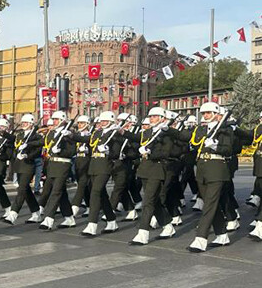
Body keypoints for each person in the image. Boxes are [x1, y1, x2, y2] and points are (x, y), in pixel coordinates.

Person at [187, 103, 234, 252]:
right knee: (210, 203)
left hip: (217, 169)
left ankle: (201, 238)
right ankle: (222, 235)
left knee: (209, 205)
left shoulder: (225, 129)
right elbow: (193, 142)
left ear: (215, 113)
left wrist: (215, 146)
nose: (205, 115)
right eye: (204, 113)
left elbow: (228, 150)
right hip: (202, 169)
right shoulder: (201, 129)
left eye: (208, 113)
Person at [129, 108, 178, 246]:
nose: (152, 118)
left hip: (157, 169)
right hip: (144, 169)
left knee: (148, 201)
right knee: (154, 201)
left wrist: (149, 153)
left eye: (155, 116)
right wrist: (123, 132)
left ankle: (142, 233)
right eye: (150, 116)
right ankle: (168, 226)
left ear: (163, 118)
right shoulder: (148, 132)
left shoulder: (167, 134)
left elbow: (166, 153)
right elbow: (135, 138)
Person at [72, 111, 123, 237]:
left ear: (111, 122)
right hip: (93, 166)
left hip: (105, 166)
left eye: (105, 121)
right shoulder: (97, 133)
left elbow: (116, 154)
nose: (102, 123)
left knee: (95, 192)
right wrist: (70, 135)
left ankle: (92, 224)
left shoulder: (115, 135)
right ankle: (111, 221)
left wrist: (107, 151)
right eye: (101, 121)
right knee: (102, 194)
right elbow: (86, 139)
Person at [38, 111, 77, 231]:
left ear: (63, 120)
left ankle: (48, 219)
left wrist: (60, 150)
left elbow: (71, 152)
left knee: (56, 192)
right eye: (53, 119)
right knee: (61, 192)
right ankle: (69, 218)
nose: (54, 121)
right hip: (52, 165)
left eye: (56, 119)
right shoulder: (51, 134)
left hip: (62, 164)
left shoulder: (69, 134)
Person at [3, 114, 43, 224]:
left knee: (21, 189)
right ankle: (36, 213)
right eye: (22, 122)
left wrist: (27, 155)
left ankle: (13, 214)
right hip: (19, 165)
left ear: (31, 124)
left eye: (26, 123)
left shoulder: (36, 136)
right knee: (26, 191)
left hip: (28, 165)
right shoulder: (20, 135)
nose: (23, 124)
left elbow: (38, 150)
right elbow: (13, 142)